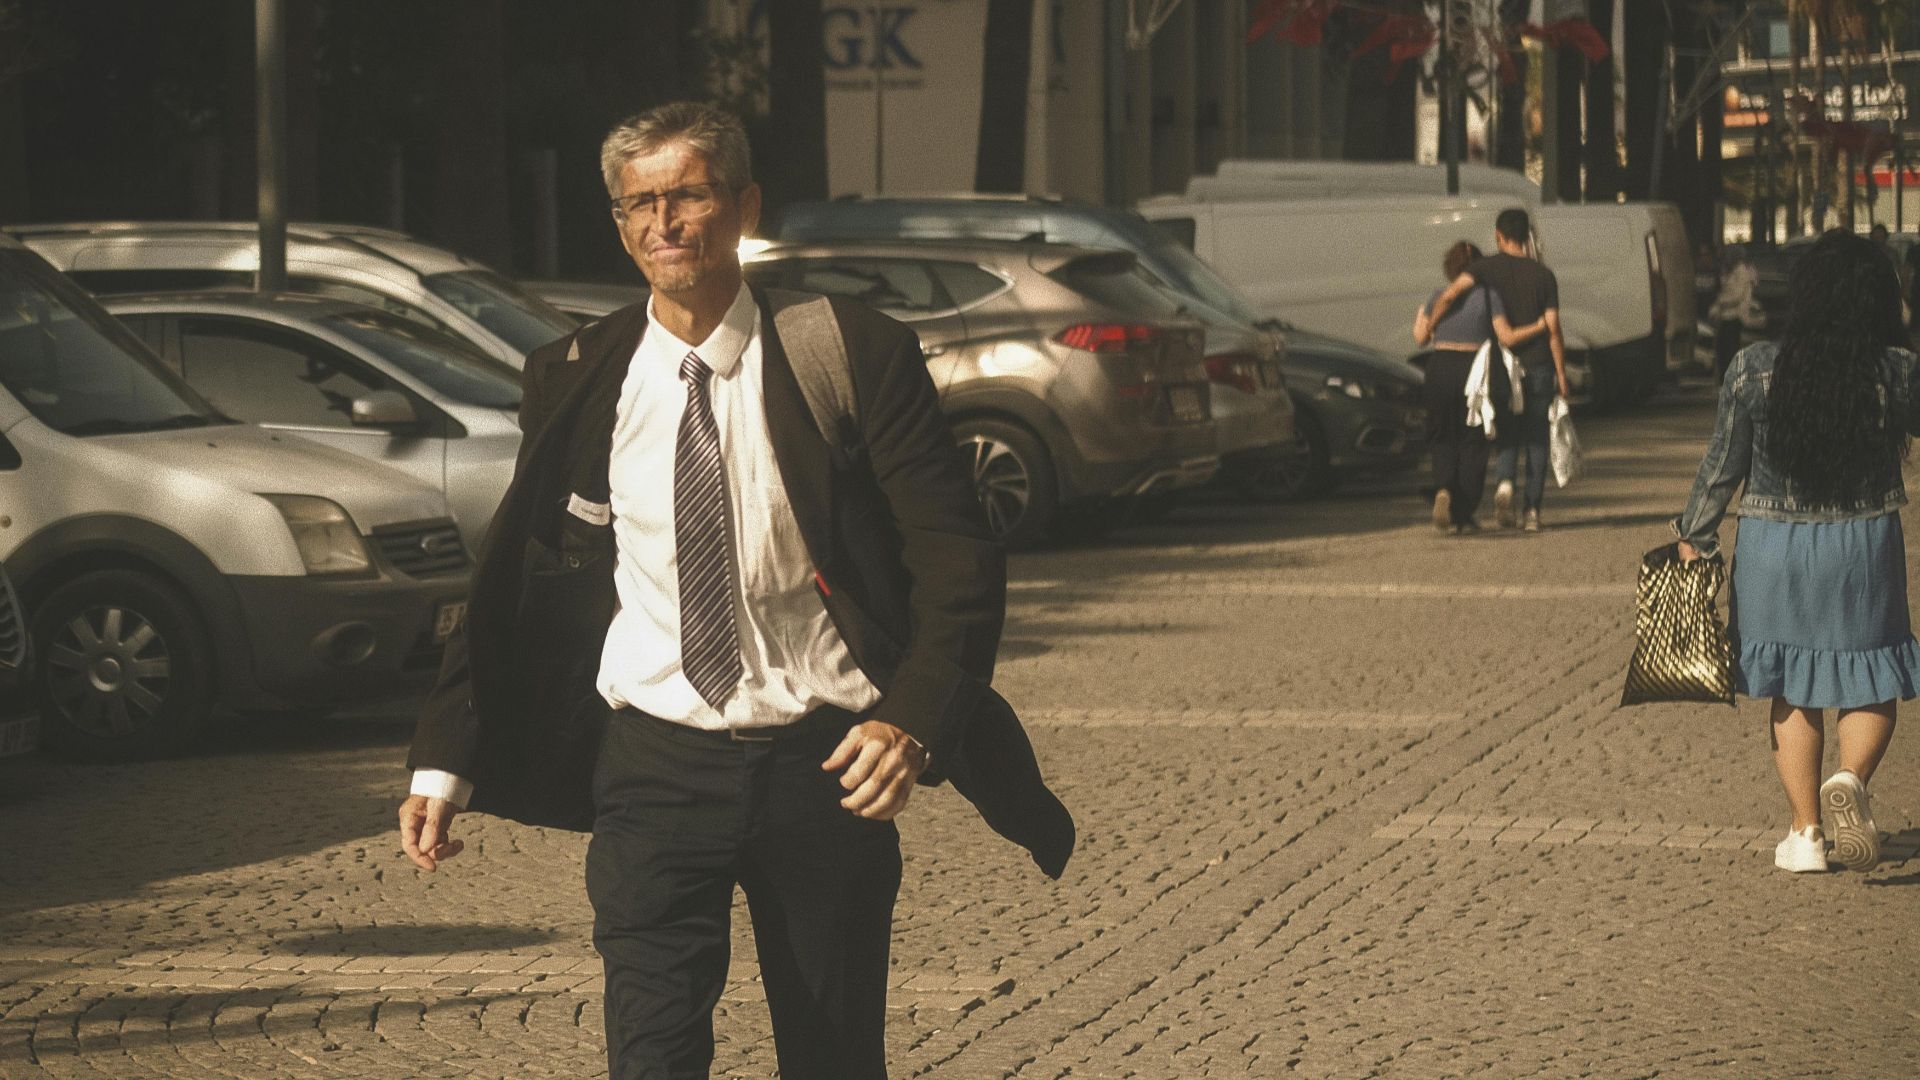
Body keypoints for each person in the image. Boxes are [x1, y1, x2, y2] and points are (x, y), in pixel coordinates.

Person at [398, 101, 1072, 1080]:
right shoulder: (577, 375)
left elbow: (958, 561)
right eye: (640, 204)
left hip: (824, 762)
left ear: (743, 205)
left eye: (689, 195)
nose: (664, 223)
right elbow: (522, 575)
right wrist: (445, 755)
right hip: (652, 773)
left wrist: (912, 720)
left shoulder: (849, 354)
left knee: (833, 1057)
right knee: (653, 1056)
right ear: (622, 225)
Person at [1672, 229, 1920, 876]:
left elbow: (1720, 467)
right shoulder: (1897, 372)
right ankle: (1853, 780)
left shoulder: (1753, 367)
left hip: (1773, 548)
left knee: (1790, 685)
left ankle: (1805, 833)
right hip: (1863, 546)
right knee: (1870, 673)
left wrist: (1693, 537)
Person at [1426, 208, 1568, 532]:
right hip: (1539, 364)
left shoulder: (1483, 268)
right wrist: (1561, 374)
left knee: (1506, 434)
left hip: (1501, 368)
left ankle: (1504, 486)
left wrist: (1433, 324)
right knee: (1536, 439)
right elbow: (1554, 328)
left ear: (1498, 236)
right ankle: (1532, 511)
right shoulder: (1544, 276)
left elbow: (1450, 294)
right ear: (1526, 236)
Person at [1707, 246, 1762, 383]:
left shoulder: (1741, 271)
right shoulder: (1730, 271)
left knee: (1729, 348)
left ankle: (1730, 378)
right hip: (1727, 315)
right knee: (1723, 347)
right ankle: (1726, 377)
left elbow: (1736, 295)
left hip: (1735, 315)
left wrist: (1721, 302)